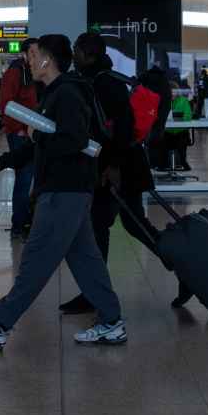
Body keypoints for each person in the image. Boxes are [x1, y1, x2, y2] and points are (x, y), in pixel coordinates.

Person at [0, 34, 126, 350]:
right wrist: (5, 160)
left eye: (34, 55)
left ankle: (0, 325)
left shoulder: (66, 94)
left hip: (64, 191)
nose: (29, 61)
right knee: (86, 261)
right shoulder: (54, 94)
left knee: (36, 259)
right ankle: (111, 322)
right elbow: (43, 142)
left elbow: (72, 140)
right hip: (69, 190)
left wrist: (38, 136)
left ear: (49, 60)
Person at [62, 32, 157, 316]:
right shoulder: (97, 79)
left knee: (124, 226)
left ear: (88, 53)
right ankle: (94, 292)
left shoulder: (105, 82)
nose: (74, 58)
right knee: (108, 226)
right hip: (114, 166)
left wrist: (113, 166)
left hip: (120, 167)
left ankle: (183, 265)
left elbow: (124, 125)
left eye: (77, 52)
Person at [0, 38, 40, 237]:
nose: (35, 56)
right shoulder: (16, 72)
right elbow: (6, 104)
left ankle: (25, 222)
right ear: (24, 53)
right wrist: (19, 129)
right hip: (21, 134)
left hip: (33, 132)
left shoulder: (33, 73)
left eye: (38, 52)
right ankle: (19, 226)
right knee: (24, 180)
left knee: (29, 179)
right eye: (32, 52)